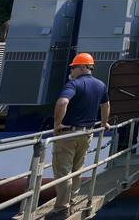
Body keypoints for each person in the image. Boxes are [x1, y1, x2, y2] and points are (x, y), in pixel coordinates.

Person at [51, 53, 110, 214]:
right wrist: (104, 123)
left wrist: (57, 124)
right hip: (87, 134)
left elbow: (63, 102)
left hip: (68, 133)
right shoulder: (100, 85)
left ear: (84, 67)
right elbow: (106, 105)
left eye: (74, 67)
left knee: (63, 171)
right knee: (78, 169)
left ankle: (61, 208)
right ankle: (72, 200)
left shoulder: (73, 84)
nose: (72, 70)